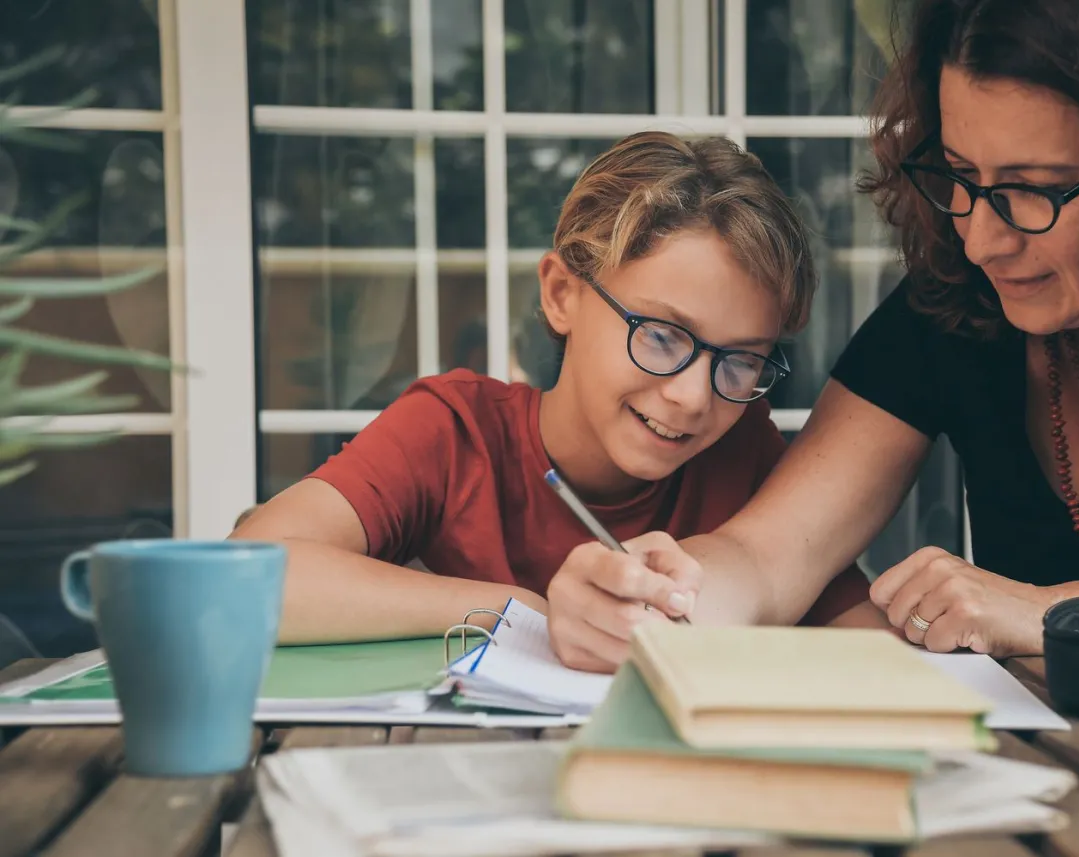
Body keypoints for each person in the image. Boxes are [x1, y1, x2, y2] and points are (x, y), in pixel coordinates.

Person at [544, 0, 1079, 671]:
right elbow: (768, 556)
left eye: (1034, 188)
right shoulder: (956, 302)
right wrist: (661, 597)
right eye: (960, 176)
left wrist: (1046, 606)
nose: (981, 239)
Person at [233, 131, 879, 645]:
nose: (692, 395)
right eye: (660, 335)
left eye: (739, 360)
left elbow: (871, 652)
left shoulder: (744, 454)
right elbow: (244, 576)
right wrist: (525, 612)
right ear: (561, 293)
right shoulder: (455, 434)